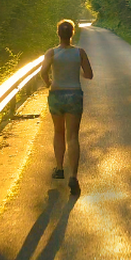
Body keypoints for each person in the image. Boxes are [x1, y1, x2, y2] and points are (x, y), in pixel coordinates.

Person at [40, 19, 93, 195]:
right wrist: (76, 70)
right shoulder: (80, 52)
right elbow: (89, 75)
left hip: (56, 95)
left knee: (58, 132)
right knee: (72, 136)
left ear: (58, 34)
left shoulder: (51, 53)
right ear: (72, 33)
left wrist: (48, 82)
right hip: (74, 95)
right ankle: (74, 177)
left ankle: (59, 168)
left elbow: (43, 71)